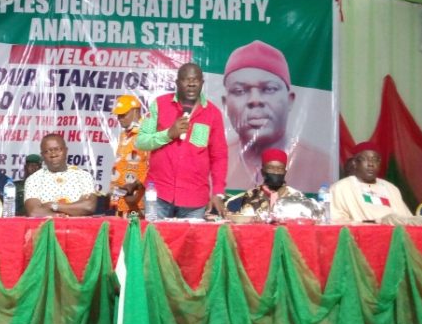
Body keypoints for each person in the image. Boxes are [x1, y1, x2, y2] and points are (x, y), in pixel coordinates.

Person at [223, 40, 331, 192]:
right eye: (240, 91)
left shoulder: (323, 166)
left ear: (290, 100)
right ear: (225, 103)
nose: (255, 100)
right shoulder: (211, 162)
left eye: (269, 89)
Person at [135, 63, 228, 219]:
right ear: (177, 83)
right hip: (158, 195)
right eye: (186, 79)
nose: (191, 83)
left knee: (191, 244)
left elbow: (219, 157)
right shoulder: (160, 104)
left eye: (196, 80)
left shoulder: (213, 114)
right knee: (153, 241)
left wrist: (218, 192)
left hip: (195, 200)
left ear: (202, 83)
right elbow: (141, 141)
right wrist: (168, 134)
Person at [329, 142, 413, 223]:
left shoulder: (391, 188)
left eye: (375, 160)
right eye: (365, 159)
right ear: (355, 163)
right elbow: (336, 219)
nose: (371, 164)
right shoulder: (341, 188)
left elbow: (406, 219)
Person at [24, 134, 97, 217]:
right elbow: (35, 212)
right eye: (47, 151)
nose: (53, 154)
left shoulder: (83, 176)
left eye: (57, 149)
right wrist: (64, 214)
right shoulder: (33, 180)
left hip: (79, 228)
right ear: (42, 156)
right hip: (48, 228)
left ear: (66, 151)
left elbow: (88, 206)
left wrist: (53, 205)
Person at [109, 94, 149, 217]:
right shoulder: (124, 135)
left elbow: (152, 167)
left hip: (137, 202)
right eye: (118, 115)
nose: (120, 118)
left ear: (136, 111)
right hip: (119, 201)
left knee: (136, 234)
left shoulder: (146, 133)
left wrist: (136, 195)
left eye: (123, 114)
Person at [238, 148, 303, 218]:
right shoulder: (251, 194)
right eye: (270, 168)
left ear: (285, 172)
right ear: (262, 172)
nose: (275, 172)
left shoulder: (296, 196)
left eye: (280, 169)